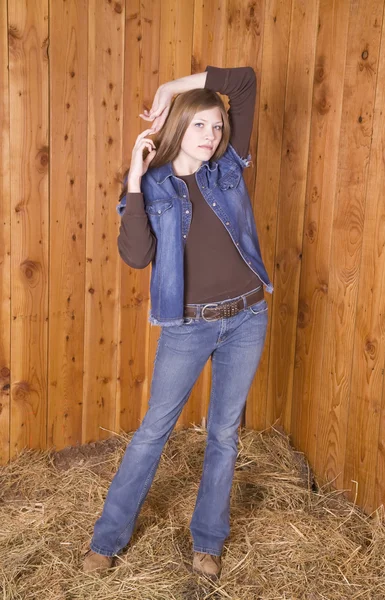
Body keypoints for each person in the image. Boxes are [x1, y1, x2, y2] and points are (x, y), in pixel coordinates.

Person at [83, 65, 273, 579]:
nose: (212, 136)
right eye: (199, 126)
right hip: (188, 327)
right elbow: (136, 255)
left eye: (217, 126)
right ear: (177, 129)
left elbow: (245, 82)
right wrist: (135, 178)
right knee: (153, 432)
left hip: (248, 316)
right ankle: (107, 540)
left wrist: (170, 88)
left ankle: (207, 542)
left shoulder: (228, 167)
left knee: (224, 433)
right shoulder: (153, 188)